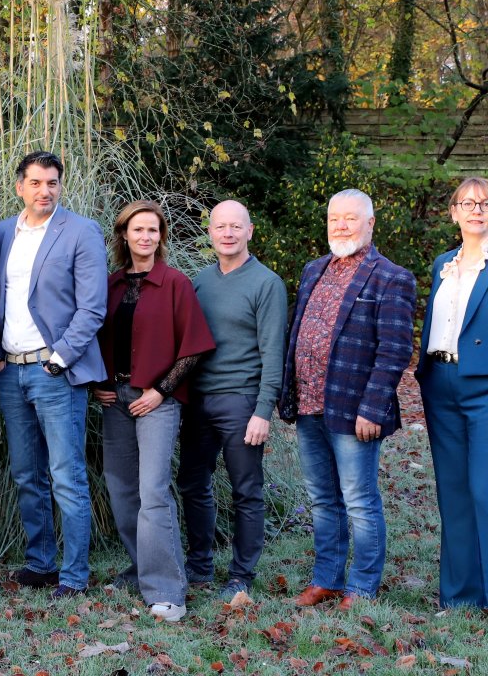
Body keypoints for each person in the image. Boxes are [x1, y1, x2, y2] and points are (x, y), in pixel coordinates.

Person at [279, 188, 415, 611]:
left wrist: (372, 408)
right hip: (309, 404)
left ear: (370, 223)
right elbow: (298, 331)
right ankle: (327, 580)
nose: (340, 226)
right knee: (323, 499)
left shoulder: (391, 277)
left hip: (355, 410)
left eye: (350, 218)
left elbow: (395, 351)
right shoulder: (313, 270)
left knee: (359, 501)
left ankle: (362, 587)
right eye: (334, 218)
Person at [0, 151, 108, 599]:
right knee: (27, 474)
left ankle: (74, 576)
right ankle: (41, 564)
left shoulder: (80, 231)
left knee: (66, 476)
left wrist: (59, 359)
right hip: (11, 371)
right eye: (36, 183)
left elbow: (92, 307)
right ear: (20, 186)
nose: (45, 191)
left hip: (54, 372)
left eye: (53, 183)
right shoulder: (3, 232)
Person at [94, 200, 215, 622]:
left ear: (161, 237)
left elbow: (194, 347)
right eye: (138, 229)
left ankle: (167, 590)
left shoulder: (175, 283)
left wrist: (160, 391)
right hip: (116, 400)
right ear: (124, 235)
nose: (145, 236)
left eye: (153, 230)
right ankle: (141, 567)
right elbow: (95, 337)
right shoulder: (110, 285)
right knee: (121, 489)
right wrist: (99, 384)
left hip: (157, 402)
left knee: (152, 492)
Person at [177, 200, 287, 601]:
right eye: (220, 226)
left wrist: (263, 411)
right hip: (198, 401)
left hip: (241, 401)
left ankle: (241, 574)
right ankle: (200, 565)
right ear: (210, 232)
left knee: (246, 490)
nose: (228, 233)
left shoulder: (266, 283)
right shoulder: (199, 282)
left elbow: (273, 353)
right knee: (193, 483)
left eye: (236, 226)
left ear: (250, 231)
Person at [416, 176, 488, 609]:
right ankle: (461, 596)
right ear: (454, 212)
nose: (477, 209)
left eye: (485, 203)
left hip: (484, 386)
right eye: (468, 203)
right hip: (440, 383)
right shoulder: (443, 263)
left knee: (484, 489)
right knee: (454, 492)